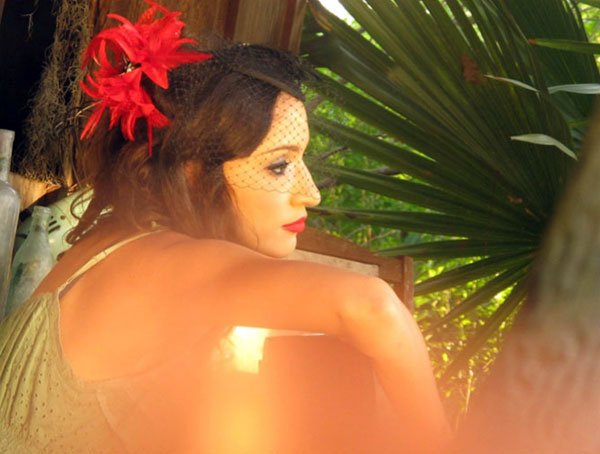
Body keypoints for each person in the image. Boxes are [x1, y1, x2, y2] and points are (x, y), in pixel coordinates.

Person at [0, 2, 449, 452]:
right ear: (194, 172)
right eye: (278, 166)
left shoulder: (117, 246)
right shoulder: (164, 264)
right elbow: (374, 307)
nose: (311, 193)